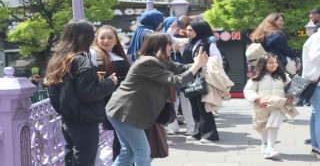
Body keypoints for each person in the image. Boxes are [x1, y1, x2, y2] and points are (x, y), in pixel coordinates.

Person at [105, 32, 208, 165]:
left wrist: (200, 64)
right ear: (161, 45)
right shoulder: (148, 62)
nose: (172, 46)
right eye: (169, 43)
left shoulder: (161, 60)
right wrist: (196, 65)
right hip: (124, 111)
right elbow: (177, 80)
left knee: (128, 151)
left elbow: (181, 68)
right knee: (142, 151)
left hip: (123, 110)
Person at [43, 20, 118, 166]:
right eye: (93, 34)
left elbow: (60, 90)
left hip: (68, 118)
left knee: (71, 157)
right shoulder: (82, 61)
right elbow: (88, 94)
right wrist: (109, 83)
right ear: (86, 37)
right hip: (84, 119)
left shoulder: (59, 59)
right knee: (84, 159)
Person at [89, 25, 131, 161]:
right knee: (122, 141)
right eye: (102, 38)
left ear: (116, 40)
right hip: (109, 102)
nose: (105, 40)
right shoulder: (94, 55)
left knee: (124, 141)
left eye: (109, 37)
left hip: (124, 102)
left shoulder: (119, 55)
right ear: (97, 39)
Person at [243, 53, 296, 159]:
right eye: (270, 63)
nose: (274, 65)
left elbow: (292, 87)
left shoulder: (283, 76)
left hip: (279, 105)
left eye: (275, 62)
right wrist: (257, 99)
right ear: (263, 64)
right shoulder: (258, 77)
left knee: (273, 125)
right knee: (264, 127)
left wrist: (291, 96)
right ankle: (264, 144)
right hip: (263, 106)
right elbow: (248, 90)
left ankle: (270, 149)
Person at [178, 21, 221, 143]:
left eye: (191, 30)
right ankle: (198, 132)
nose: (188, 32)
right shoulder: (190, 43)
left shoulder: (208, 43)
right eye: (187, 30)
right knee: (194, 107)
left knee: (204, 107)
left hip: (203, 78)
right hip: (191, 78)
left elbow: (217, 61)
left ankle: (210, 134)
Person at [162, 17, 195, 136]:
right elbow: (167, 37)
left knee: (186, 101)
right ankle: (172, 126)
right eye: (173, 25)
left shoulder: (184, 40)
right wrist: (171, 29)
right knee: (172, 101)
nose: (177, 28)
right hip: (169, 74)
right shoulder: (161, 38)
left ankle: (191, 127)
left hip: (184, 73)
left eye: (178, 25)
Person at [301, 24, 320, 159]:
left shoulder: (314, 37)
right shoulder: (318, 37)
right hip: (317, 82)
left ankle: (315, 147)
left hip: (314, 82)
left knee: (316, 114)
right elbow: (316, 57)